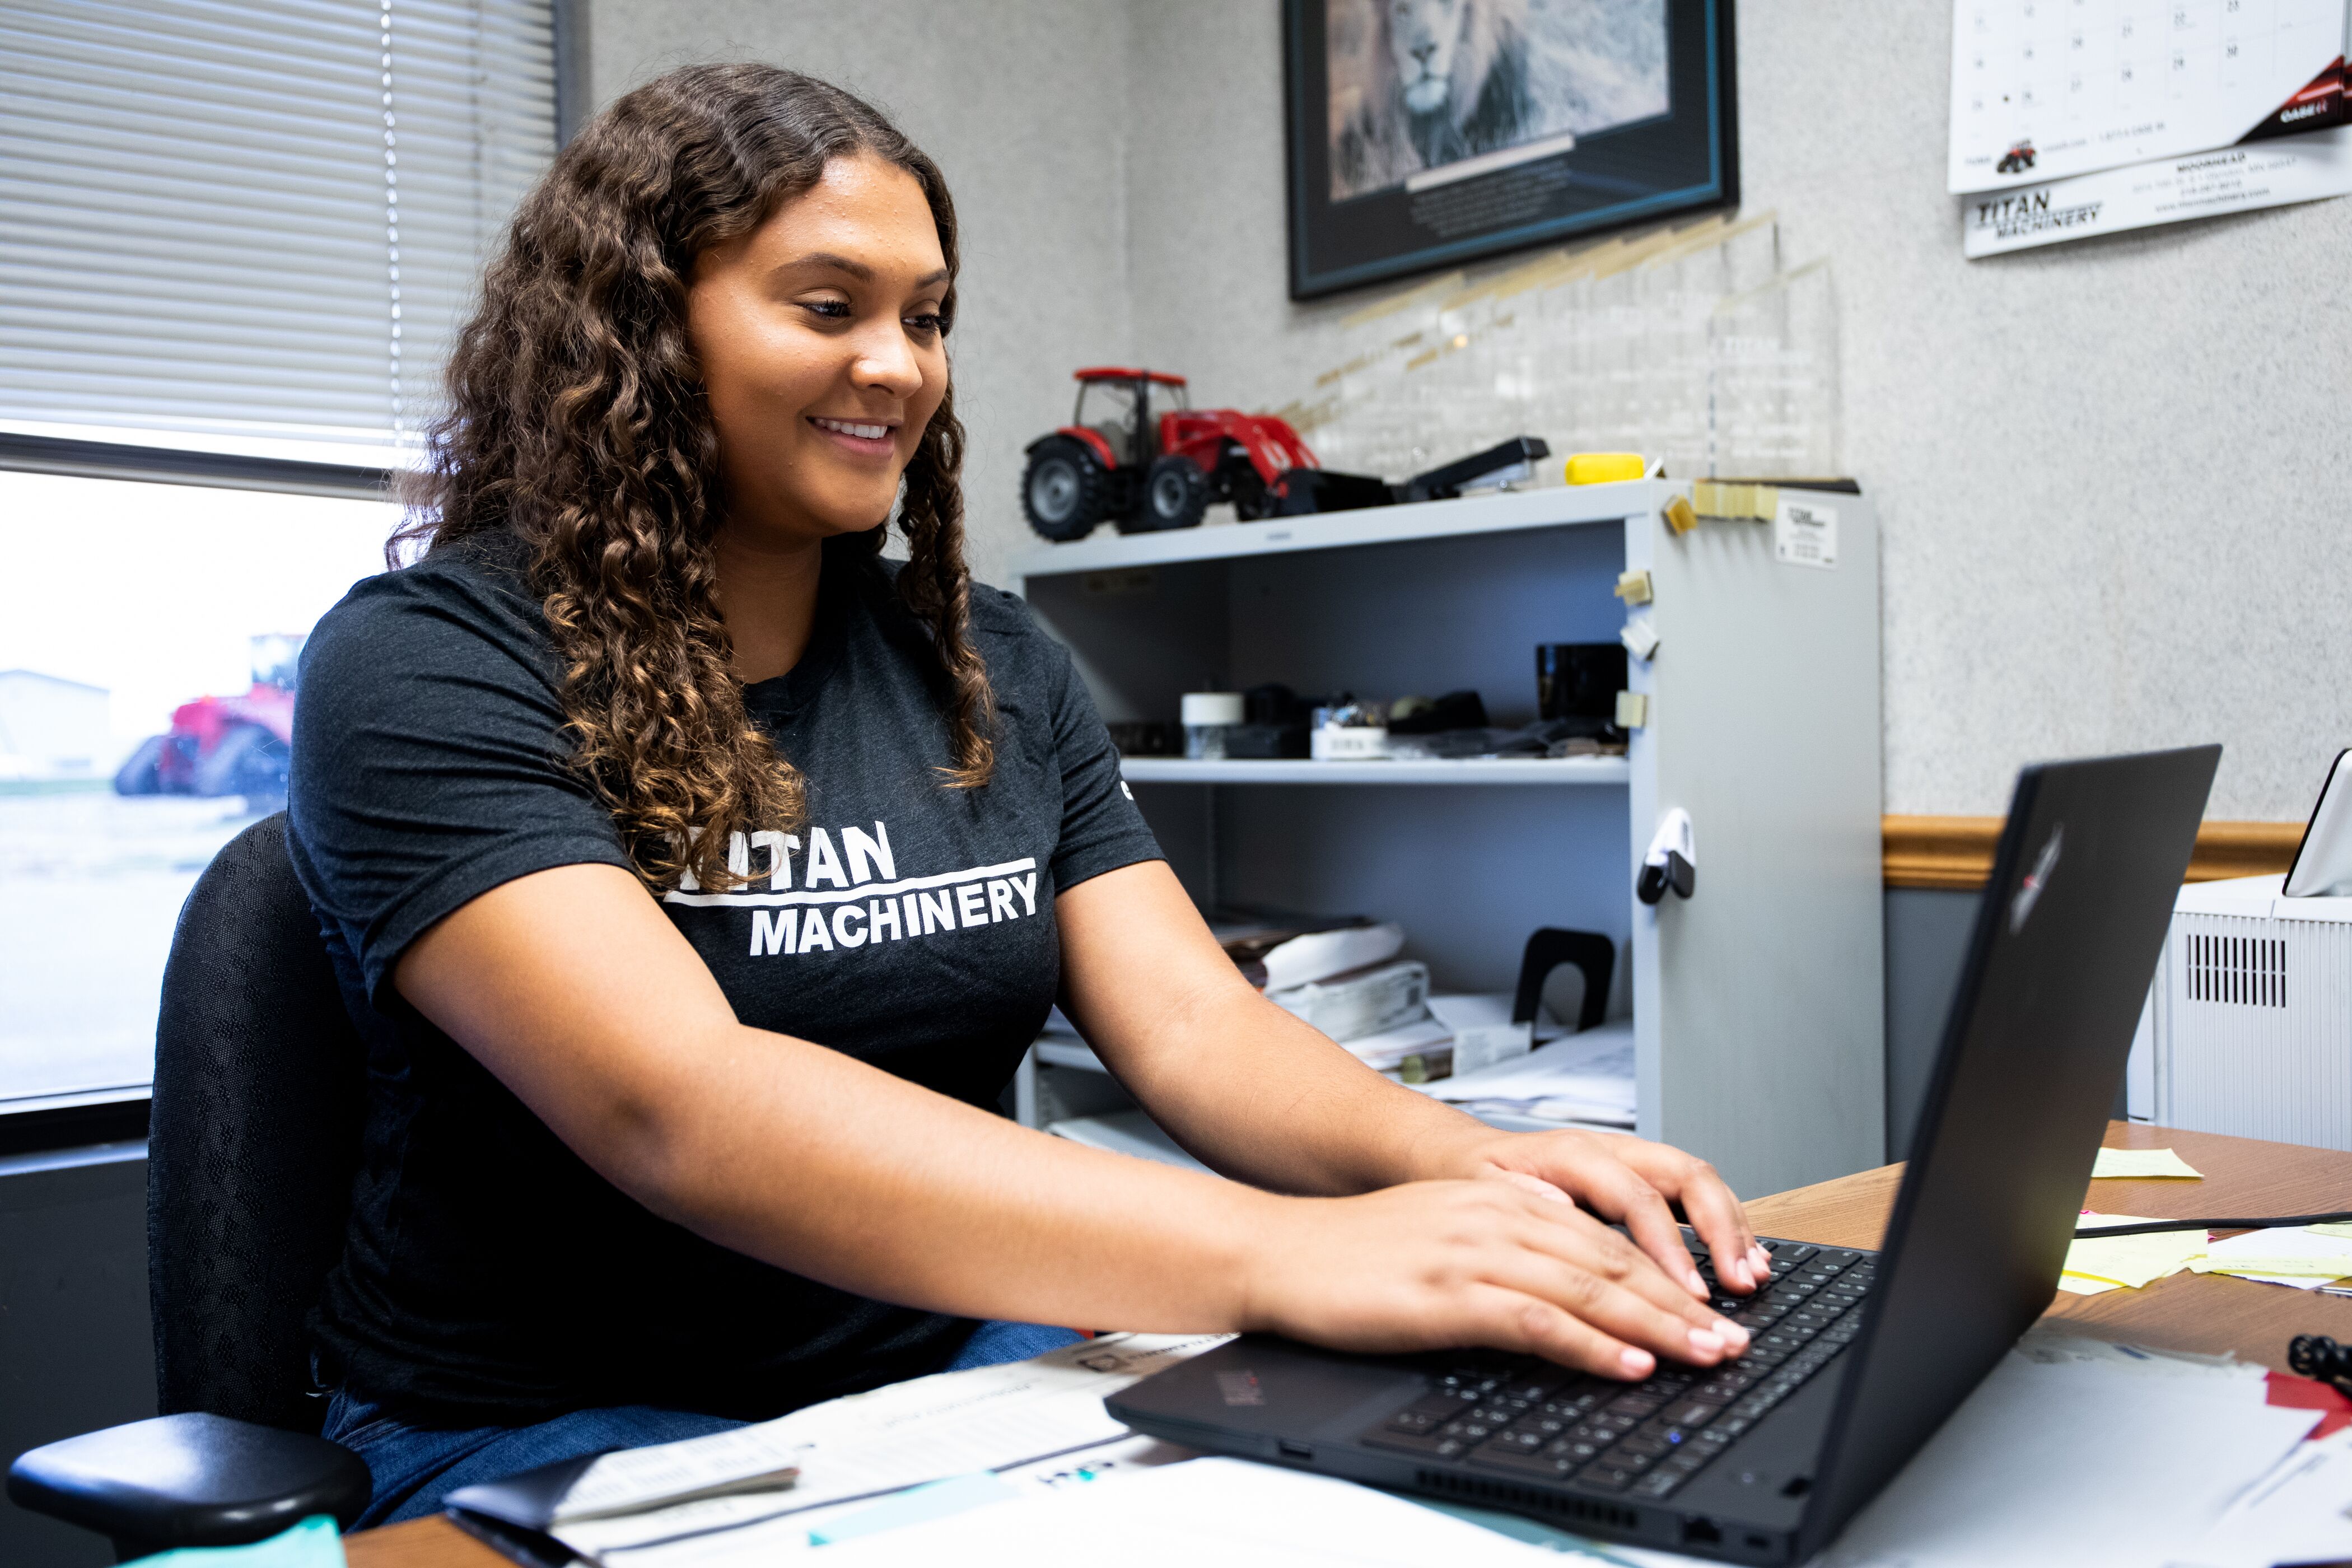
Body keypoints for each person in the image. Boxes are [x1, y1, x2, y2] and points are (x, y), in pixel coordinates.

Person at [286, 63, 1767, 1525]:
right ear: (645, 328)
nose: (900, 365)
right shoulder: (427, 666)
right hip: (541, 1419)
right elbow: (682, 1105)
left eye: (926, 318)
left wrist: (1482, 1166)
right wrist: (1282, 1254)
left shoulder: (985, 659)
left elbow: (1193, 1026)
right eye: (829, 306)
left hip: (941, 1358)